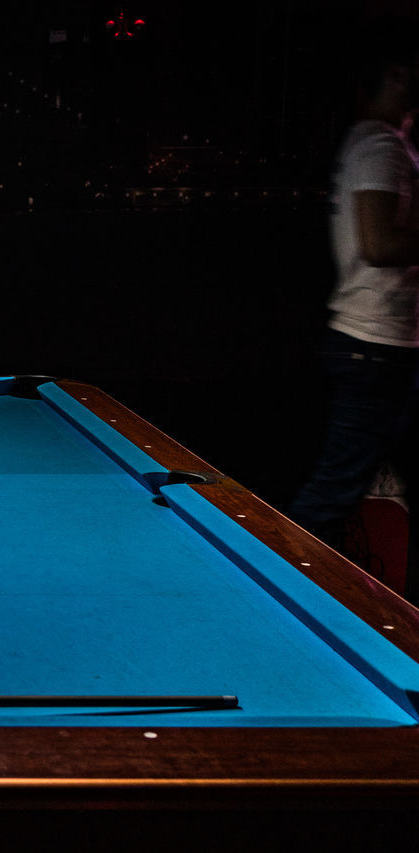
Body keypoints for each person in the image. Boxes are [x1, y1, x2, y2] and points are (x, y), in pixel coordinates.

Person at [286, 17, 419, 597]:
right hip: (373, 346)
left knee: (338, 489)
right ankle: (280, 603)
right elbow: (380, 243)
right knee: (331, 494)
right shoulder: (380, 147)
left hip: (380, 344)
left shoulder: (380, 143)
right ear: (397, 74)